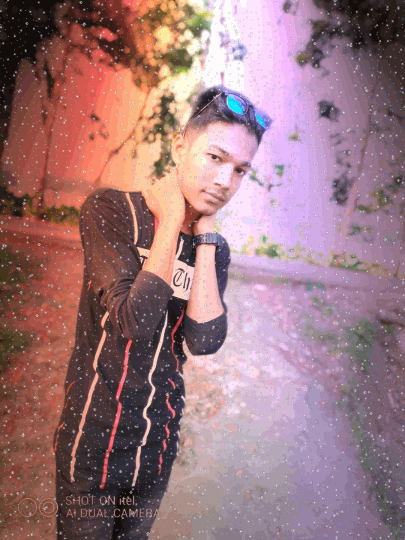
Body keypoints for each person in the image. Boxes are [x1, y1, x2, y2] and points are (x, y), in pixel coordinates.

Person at [53, 84, 272, 540]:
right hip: (94, 441)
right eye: (215, 158)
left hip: (155, 447)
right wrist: (171, 221)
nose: (224, 181)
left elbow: (204, 341)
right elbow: (132, 321)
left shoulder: (214, 250)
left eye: (239, 170)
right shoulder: (112, 210)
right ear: (179, 147)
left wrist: (205, 238)